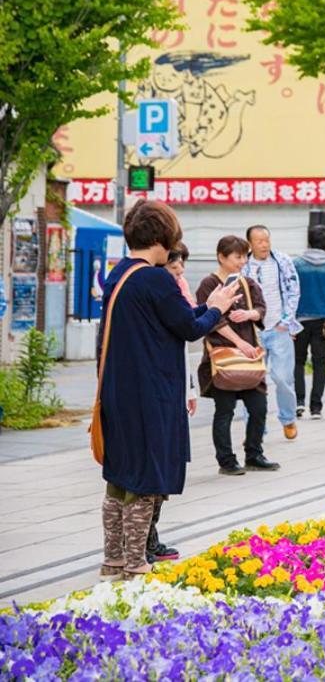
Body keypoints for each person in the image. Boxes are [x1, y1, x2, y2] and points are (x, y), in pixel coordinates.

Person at [97, 202, 235, 580]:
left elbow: (174, 321)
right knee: (147, 473)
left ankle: (112, 558)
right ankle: (136, 560)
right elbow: (189, 327)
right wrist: (217, 306)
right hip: (150, 392)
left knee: (119, 474)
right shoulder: (156, 279)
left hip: (118, 390)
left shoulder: (120, 274)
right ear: (162, 238)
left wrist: (205, 308)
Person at [198, 235, 279, 477]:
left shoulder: (247, 283)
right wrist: (240, 342)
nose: (242, 261)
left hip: (249, 356)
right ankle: (226, 460)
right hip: (225, 356)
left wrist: (250, 314)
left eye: (245, 256)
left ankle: (254, 453)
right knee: (225, 410)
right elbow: (214, 320)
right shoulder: (208, 284)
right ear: (221, 257)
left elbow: (261, 308)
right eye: (237, 256)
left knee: (259, 406)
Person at [144, 246, 197, 565]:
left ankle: (151, 538)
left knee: (165, 470)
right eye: (175, 271)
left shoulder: (177, 292)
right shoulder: (157, 293)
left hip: (174, 387)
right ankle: (144, 542)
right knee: (154, 473)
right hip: (156, 394)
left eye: (181, 271)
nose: (180, 276)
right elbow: (189, 327)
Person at [242, 225, 301, 436]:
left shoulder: (282, 261)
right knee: (253, 380)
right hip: (253, 332)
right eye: (259, 241)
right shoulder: (243, 265)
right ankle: (256, 426)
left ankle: (288, 418)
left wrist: (286, 320)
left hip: (279, 327)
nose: (264, 244)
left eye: (267, 239)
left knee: (283, 377)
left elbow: (294, 291)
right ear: (250, 244)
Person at [293, 226, 325, 421]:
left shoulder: (296, 264)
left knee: (298, 362)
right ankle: (316, 407)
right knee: (320, 364)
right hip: (323, 320)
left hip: (299, 319)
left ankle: (299, 402)